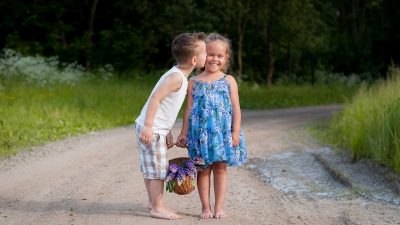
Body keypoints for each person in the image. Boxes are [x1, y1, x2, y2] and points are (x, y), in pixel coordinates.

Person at [134, 32, 207, 220]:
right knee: (158, 171)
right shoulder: (176, 78)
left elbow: (165, 106)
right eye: (205, 53)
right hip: (152, 129)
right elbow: (156, 98)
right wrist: (150, 127)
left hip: (155, 128)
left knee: (151, 169)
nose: (206, 56)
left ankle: (152, 203)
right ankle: (157, 207)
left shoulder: (178, 75)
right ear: (193, 60)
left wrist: (166, 131)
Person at [177, 33, 247, 219]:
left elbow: (236, 108)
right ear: (201, 55)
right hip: (199, 135)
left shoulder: (229, 80)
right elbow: (188, 109)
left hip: (222, 134)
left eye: (220, 55)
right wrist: (183, 133)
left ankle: (219, 207)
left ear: (226, 58)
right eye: (210, 54)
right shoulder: (193, 82)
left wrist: (235, 132)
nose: (214, 58)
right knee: (203, 169)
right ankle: (205, 207)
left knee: (221, 169)